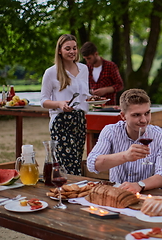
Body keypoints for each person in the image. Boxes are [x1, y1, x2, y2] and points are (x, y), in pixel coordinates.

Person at [87, 88, 162, 193]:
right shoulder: (111, 131)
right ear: (123, 116)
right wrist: (125, 156)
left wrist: (139, 185)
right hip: (117, 194)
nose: (144, 120)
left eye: (147, 113)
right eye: (136, 115)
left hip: (149, 196)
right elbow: (92, 164)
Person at [40, 34, 90, 175]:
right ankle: (67, 193)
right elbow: (43, 101)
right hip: (61, 121)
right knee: (68, 166)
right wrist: (59, 104)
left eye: (74, 48)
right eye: (67, 48)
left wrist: (94, 99)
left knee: (77, 161)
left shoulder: (84, 69)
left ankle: (71, 194)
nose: (72, 51)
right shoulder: (51, 72)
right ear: (60, 51)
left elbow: (84, 95)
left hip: (80, 120)